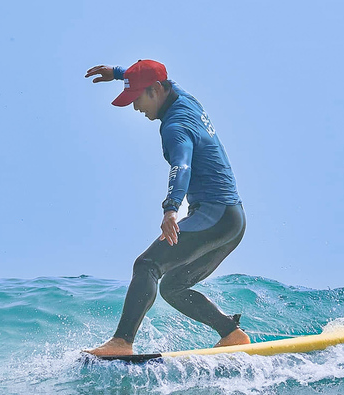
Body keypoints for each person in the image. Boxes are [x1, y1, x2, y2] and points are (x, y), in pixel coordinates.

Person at [84, 60, 249, 357]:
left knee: (147, 265)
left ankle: (121, 342)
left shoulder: (175, 126)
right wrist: (119, 74)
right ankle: (231, 333)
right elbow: (158, 77)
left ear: (156, 91)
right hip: (232, 220)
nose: (135, 107)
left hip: (214, 215)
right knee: (173, 286)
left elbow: (181, 165)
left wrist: (171, 209)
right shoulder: (183, 96)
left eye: (137, 98)